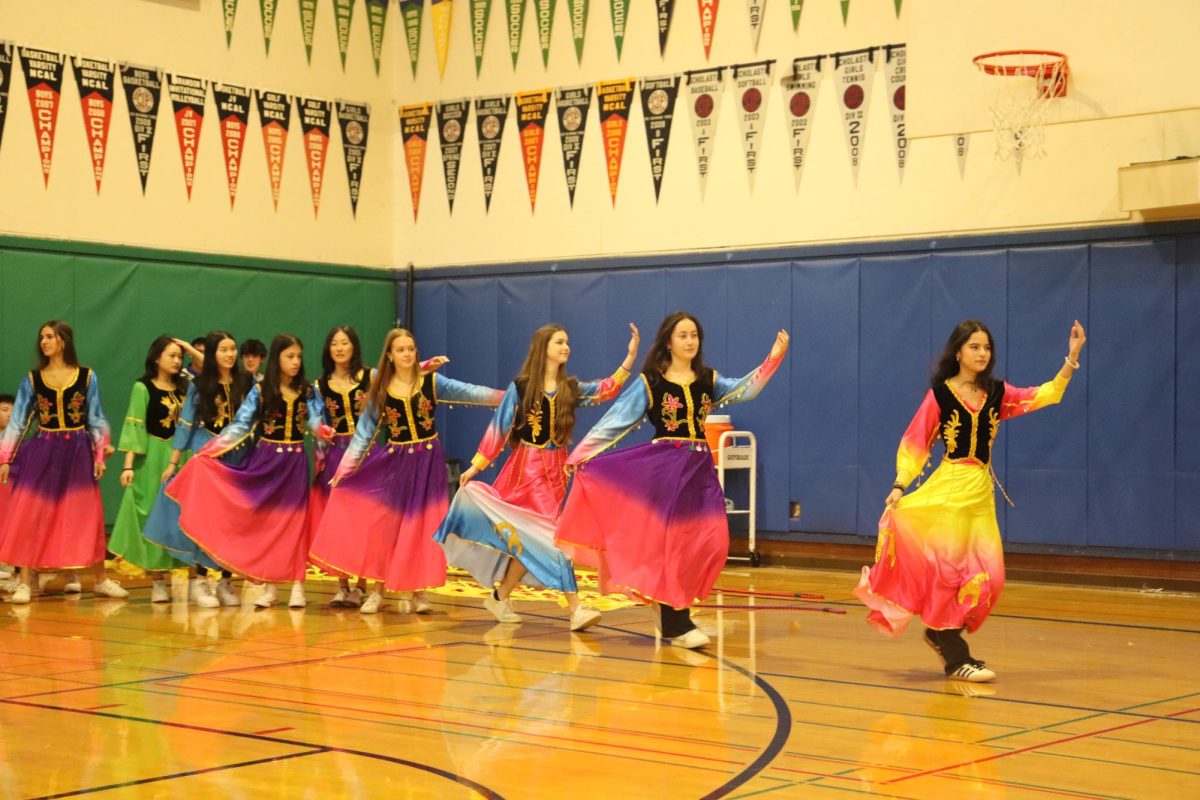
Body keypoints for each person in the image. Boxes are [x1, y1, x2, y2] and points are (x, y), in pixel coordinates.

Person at [854, 319, 1087, 682]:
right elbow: (916, 443)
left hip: (979, 493)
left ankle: (941, 634)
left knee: (989, 576)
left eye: (987, 348)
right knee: (949, 574)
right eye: (975, 347)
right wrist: (900, 485)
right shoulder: (941, 396)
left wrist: (1071, 358)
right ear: (959, 352)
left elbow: (1045, 395)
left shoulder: (996, 392)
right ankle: (954, 655)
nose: (982, 354)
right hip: (948, 490)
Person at [557, 313, 788, 649]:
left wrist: (773, 358)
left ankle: (671, 615)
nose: (690, 341)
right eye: (683, 335)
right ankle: (676, 621)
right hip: (664, 470)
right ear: (669, 341)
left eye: (694, 335)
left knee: (713, 540)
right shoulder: (651, 382)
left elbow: (745, 390)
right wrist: (581, 454)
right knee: (671, 546)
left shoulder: (709, 379)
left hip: (699, 470)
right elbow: (616, 420)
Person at [435, 323, 639, 631]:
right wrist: (475, 467)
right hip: (525, 473)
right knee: (553, 539)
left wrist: (629, 359)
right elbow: (499, 431)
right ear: (543, 347)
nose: (565, 347)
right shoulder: (521, 388)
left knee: (530, 540)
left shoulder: (570, 388)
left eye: (567, 342)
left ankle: (500, 596)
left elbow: (605, 389)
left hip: (556, 474)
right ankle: (576, 608)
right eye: (559, 342)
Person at [309, 328, 503, 614]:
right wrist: (343, 472)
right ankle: (377, 590)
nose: (407, 354)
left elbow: (473, 393)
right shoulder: (381, 390)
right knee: (385, 525)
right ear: (390, 355)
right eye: (400, 349)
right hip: (396, 463)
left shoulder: (432, 383)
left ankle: (418, 594)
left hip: (427, 462)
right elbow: (363, 435)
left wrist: (508, 397)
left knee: (422, 528)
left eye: (411, 348)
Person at [169, 333, 329, 609]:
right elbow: (241, 426)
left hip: (294, 463)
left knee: (295, 524)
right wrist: (209, 452)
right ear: (278, 358)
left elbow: (315, 418)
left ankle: (298, 586)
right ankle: (268, 586)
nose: (295, 362)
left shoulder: (307, 389)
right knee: (268, 524)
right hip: (266, 460)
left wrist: (321, 430)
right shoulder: (261, 389)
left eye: (298, 356)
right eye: (289, 356)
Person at [0, 321, 129, 603]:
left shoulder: (86, 377)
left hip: (77, 453)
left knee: (87, 516)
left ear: (63, 341)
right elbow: (19, 421)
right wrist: (5, 458)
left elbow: (95, 417)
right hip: (43, 451)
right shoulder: (33, 379)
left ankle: (100, 579)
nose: (43, 342)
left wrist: (99, 453)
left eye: (49, 336)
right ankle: (24, 582)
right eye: (41, 337)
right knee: (30, 515)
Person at [144, 330, 255, 607]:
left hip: (239, 458)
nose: (230, 354)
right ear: (213, 354)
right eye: (223, 350)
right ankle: (201, 581)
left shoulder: (246, 381)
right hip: (208, 457)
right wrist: (173, 461)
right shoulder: (200, 384)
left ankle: (226, 581)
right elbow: (186, 422)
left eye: (233, 349)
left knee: (233, 521)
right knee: (207, 520)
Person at [109, 337, 191, 602]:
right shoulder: (142, 387)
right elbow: (135, 424)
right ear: (157, 358)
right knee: (152, 515)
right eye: (172, 355)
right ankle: (157, 580)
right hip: (152, 457)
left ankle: (183, 572)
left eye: (180, 356)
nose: (177, 361)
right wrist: (128, 465)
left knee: (178, 514)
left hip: (180, 457)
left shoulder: (185, 388)